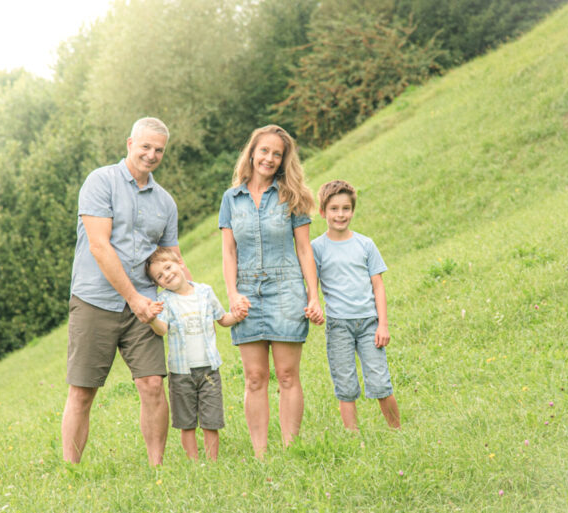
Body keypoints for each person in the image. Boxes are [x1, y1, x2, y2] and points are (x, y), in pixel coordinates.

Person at [61, 117, 191, 466]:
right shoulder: (100, 182)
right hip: (95, 301)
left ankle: (156, 468)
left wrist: (199, 300)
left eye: (159, 150)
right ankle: (72, 469)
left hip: (146, 306)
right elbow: (100, 247)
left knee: (152, 384)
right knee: (83, 390)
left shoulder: (165, 202)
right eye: (146, 146)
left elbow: (173, 258)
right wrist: (134, 299)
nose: (151, 155)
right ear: (129, 143)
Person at [218, 124, 324, 459]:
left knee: (288, 375)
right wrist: (233, 294)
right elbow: (229, 252)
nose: (269, 158)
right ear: (252, 152)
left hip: (286, 290)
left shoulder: (293, 196)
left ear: (283, 161)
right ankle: (261, 454)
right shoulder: (230, 199)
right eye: (264, 151)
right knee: (254, 377)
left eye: (277, 154)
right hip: (247, 292)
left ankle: (291, 449)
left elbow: (305, 251)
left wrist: (312, 296)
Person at [312, 180, 400, 431]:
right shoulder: (316, 248)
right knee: (346, 386)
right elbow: (312, 283)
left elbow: (378, 286)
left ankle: (397, 432)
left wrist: (383, 324)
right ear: (322, 212)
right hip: (339, 325)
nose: (341, 215)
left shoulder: (365, 244)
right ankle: (354, 438)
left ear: (353, 210)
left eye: (346, 208)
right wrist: (314, 305)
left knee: (381, 382)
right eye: (334, 209)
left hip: (369, 324)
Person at [144, 247, 245, 461]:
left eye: (168, 268)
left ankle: (212, 461)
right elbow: (162, 330)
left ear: (180, 263)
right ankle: (194, 462)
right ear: (159, 284)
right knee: (186, 422)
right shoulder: (165, 301)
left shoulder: (205, 292)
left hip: (209, 368)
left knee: (211, 420)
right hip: (181, 373)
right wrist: (152, 319)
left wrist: (237, 315)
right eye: (160, 276)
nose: (167, 275)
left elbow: (223, 319)